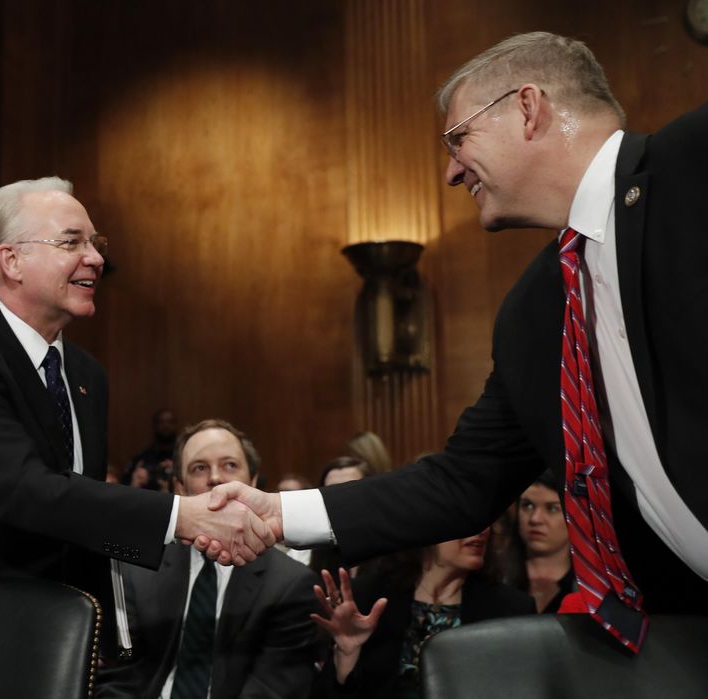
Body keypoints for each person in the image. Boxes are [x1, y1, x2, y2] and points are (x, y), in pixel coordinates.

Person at [204, 32, 708, 651]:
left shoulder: (692, 164)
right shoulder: (534, 310)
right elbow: (463, 482)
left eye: (458, 137)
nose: (449, 171)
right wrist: (279, 513)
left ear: (528, 108)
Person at [0, 178, 275, 687]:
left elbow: (79, 510)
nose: (94, 258)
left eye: (95, 244)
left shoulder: (87, 375)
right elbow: (25, 493)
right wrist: (181, 516)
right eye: (72, 242)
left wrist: (111, 641)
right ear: (11, 261)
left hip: (39, 642)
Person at [117, 419, 320, 698]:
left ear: (252, 481)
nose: (215, 478)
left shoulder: (290, 584)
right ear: (179, 487)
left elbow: (273, 690)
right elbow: (119, 678)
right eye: (199, 468)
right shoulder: (137, 570)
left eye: (230, 465)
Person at [310, 528, 534, 698]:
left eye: (485, 518)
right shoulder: (369, 598)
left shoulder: (512, 610)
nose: (480, 529)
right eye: (464, 517)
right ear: (426, 519)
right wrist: (346, 656)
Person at [510, 470, 573, 613]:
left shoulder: (588, 589)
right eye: (528, 506)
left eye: (552, 508)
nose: (535, 519)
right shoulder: (495, 578)